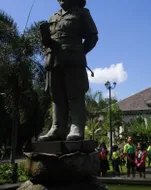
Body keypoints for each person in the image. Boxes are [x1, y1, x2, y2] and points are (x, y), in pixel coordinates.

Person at [38, 0, 98, 142]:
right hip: (53, 61)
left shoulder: (82, 13)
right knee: (56, 95)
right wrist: (45, 37)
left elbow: (92, 37)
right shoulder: (53, 17)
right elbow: (50, 41)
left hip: (73, 61)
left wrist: (79, 52)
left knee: (75, 93)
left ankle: (77, 127)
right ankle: (57, 128)